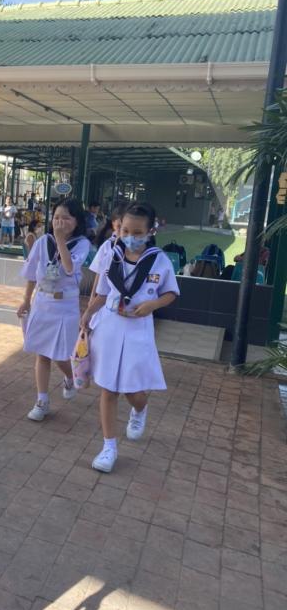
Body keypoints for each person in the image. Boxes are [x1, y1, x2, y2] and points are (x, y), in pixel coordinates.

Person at [81, 202, 179, 474]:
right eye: (125, 230)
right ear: (118, 227)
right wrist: (88, 314)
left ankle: (140, 409)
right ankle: (109, 447)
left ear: (150, 231)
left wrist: (152, 305)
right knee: (109, 388)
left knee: (133, 390)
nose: (130, 236)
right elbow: (102, 293)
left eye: (137, 231)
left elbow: (171, 293)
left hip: (138, 331)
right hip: (110, 328)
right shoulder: (112, 254)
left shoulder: (158, 259)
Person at [17, 198, 91, 421]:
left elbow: (69, 268)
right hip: (43, 302)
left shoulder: (82, 244)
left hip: (65, 306)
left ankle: (69, 376)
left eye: (66, 218)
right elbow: (31, 274)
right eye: (57, 217)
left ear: (77, 221)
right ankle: (42, 400)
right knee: (42, 353)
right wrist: (26, 300)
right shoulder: (43, 242)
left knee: (61, 354)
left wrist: (60, 240)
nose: (60, 222)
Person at [87, 203, 127, 305]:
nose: (122, 231)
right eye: (119, 226)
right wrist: (92, 296)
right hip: (105, 296)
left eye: (125, 227)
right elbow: (99, 273)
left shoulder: (135, 248)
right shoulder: (107, 245)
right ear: (113, 224)